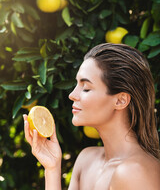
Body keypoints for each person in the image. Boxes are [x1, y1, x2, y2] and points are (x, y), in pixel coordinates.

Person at [23, 43, 160, 190]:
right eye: (77, 85)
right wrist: (52, 169)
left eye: (86, 88)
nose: (72, 95)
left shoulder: (135, 172)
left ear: (120, 100)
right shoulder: (86, 159)